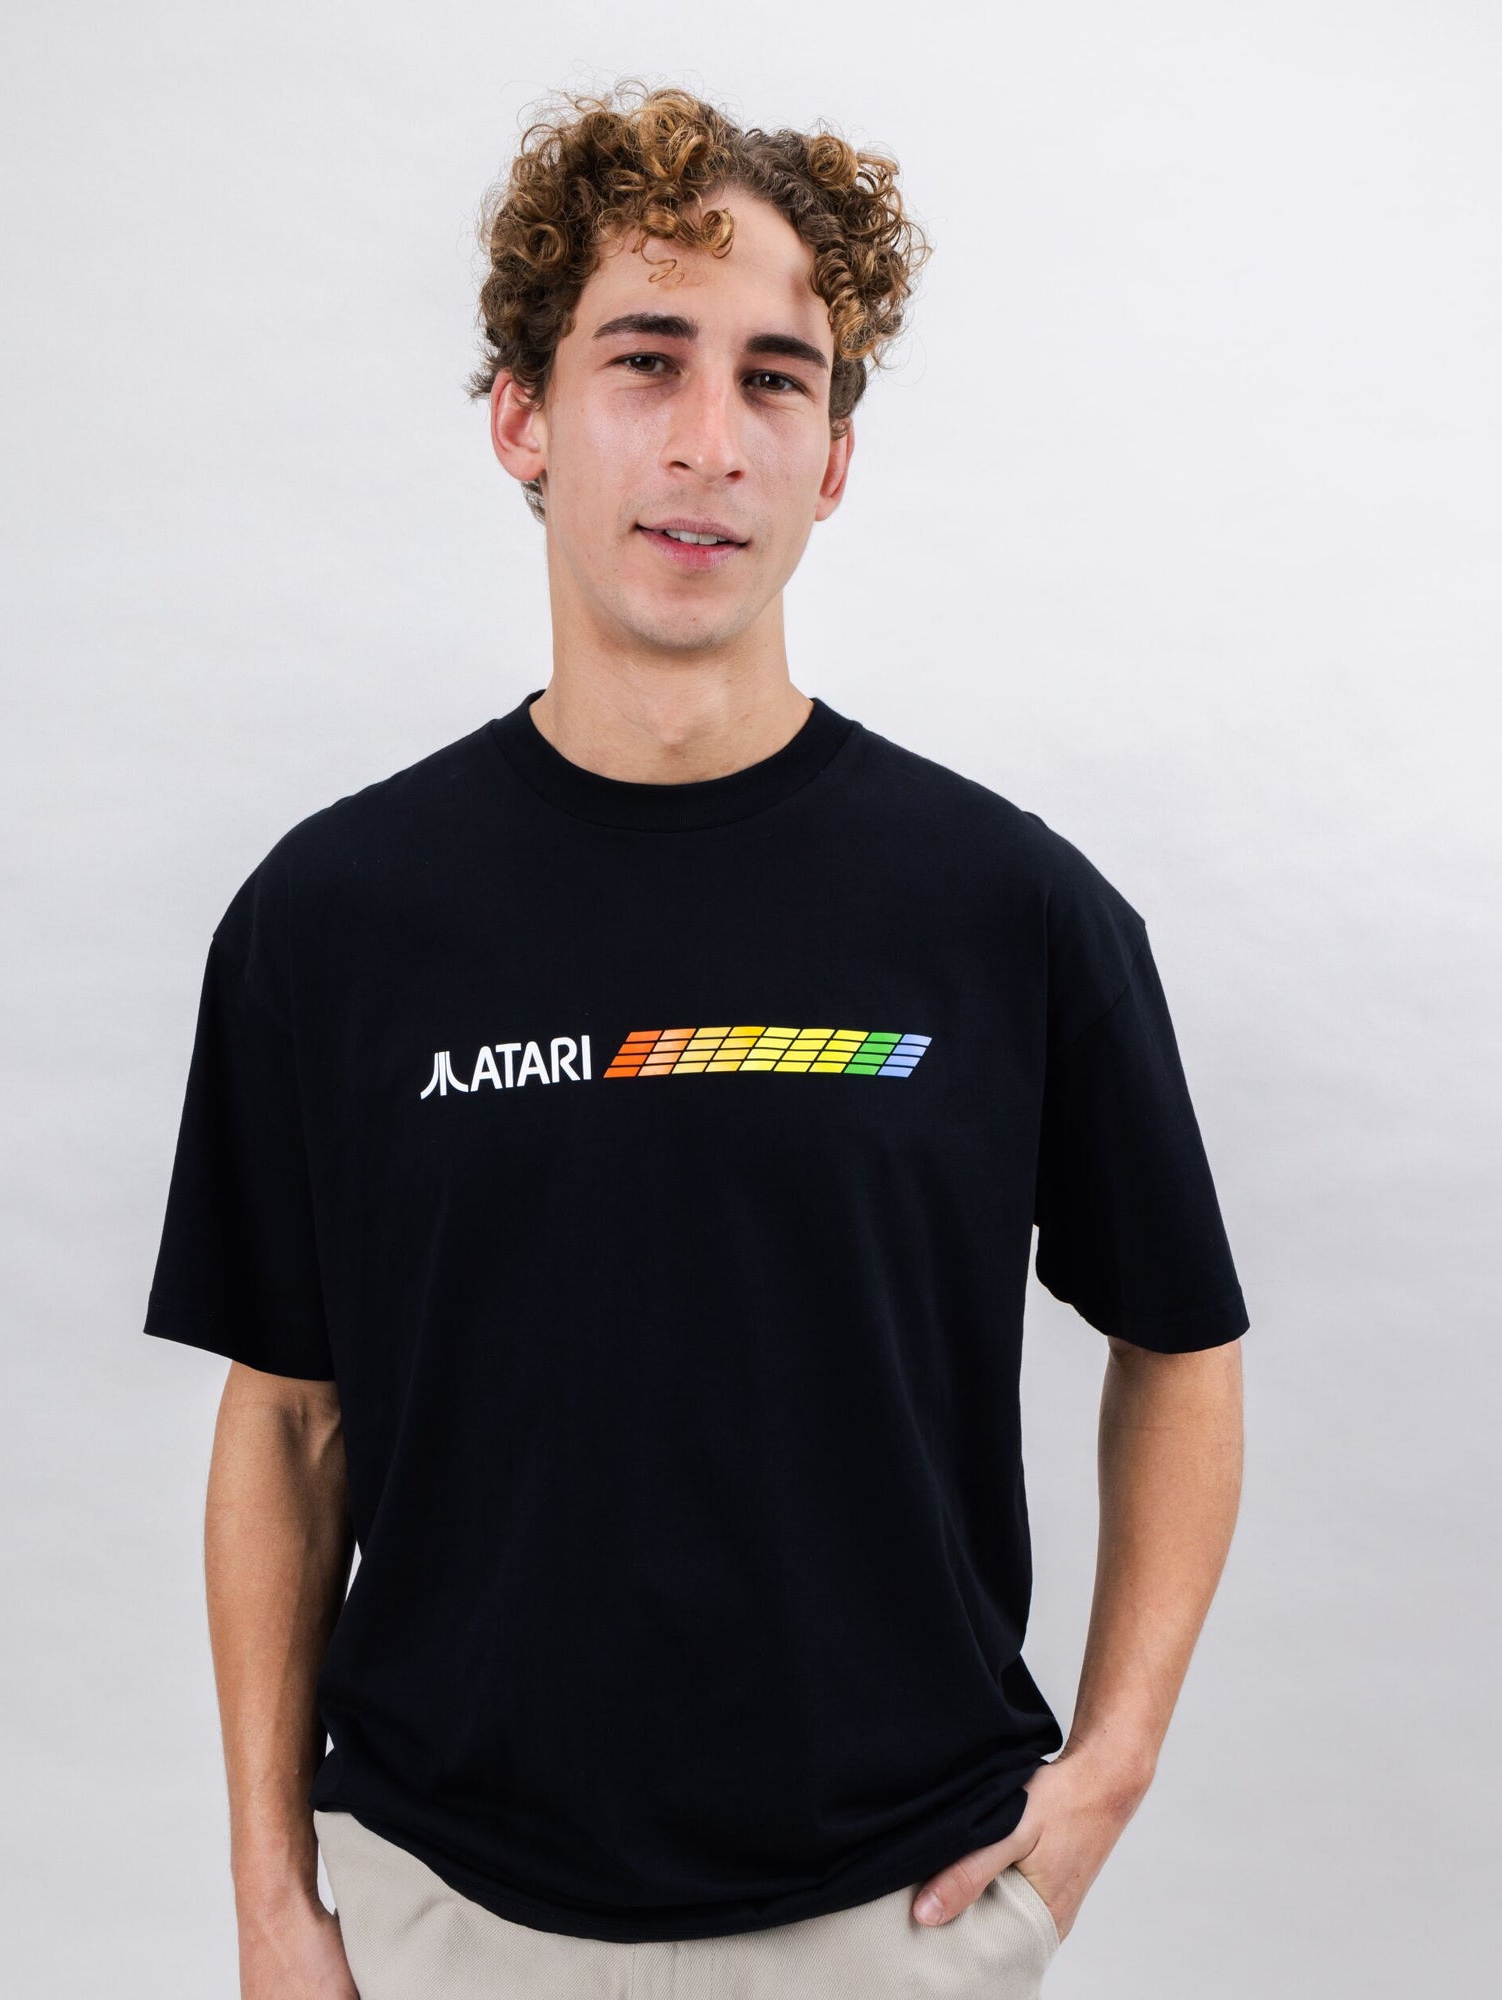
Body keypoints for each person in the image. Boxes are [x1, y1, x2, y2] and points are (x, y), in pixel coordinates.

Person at [143, 79, 1248, 2000]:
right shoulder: (332, 921)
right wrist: (271, 1894)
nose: (709, 443)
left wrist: (1110, 1773)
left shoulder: (1010, 911)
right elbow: (289, 1419)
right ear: (523, 417)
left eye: (775, 380)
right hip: (440, 1915)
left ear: (834, 459)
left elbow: (1186, 1347)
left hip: (893, 1920)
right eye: (645, 361)